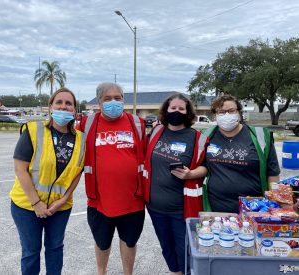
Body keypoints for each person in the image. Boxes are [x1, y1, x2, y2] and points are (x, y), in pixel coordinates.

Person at [10, 88, 85, 275]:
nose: (63, 106)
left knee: (55, 249)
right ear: (50, 107)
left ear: (75, 110)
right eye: (59, 102)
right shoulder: (33, 130)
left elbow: (77, 174)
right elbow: (20, 169)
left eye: (69, 104)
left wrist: (63, 200)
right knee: (31, 252)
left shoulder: (81, 140)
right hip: (27, 206)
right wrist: (36, 203)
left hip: (59, 208)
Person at [78, 83, 146, 275]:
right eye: (107, 99)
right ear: (99, 102)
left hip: (133, 199)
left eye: (118, 98)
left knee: (130, 241)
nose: (113, 102)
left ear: (123, 100)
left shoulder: (137, 123)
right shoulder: (87, 124)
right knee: (102, 242)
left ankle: (128, 273)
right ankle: (102, 272)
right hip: (99, 200)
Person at [142, 93, 208, 275]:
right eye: (173, 108)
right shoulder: (156, 132)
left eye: (181, 108)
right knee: (166, 247)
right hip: (155, 207)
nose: (176, 111)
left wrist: (191, 174)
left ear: (188, 112)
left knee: (185, 249)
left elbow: (206, 167)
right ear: (166, 110)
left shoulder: (198, 138)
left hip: (182, 209)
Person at [202, 95, 280, 213]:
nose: (227, 115)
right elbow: (200, 166)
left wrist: (275, 203)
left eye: (231, 111)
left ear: (239, 113)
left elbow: (272, 173)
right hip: (215, 209)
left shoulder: (260, 136)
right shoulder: (206, 136)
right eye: (221, 112)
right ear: (214, 115)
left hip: (254, 208)